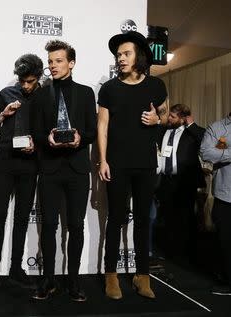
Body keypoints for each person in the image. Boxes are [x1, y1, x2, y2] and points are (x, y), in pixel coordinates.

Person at [97, 31, 168, 299]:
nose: (120, 59)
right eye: (118, 55)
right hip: (117, 164)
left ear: (139, 56)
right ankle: (111, 276)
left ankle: (143, 276)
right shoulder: (109, 89)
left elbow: (164, 117)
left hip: (146, 165)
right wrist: (103, 160)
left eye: (126, 54)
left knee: (142, 221)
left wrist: (157, 121)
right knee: (115, 220)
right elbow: (101, 126)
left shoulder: (157, 86)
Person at [30, 40, 97, 301]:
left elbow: (92, 130)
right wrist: (48, 138)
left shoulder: (86, 93)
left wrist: (82, 138)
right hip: (50, 167)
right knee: (48, 225)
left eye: (58, 61)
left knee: (76, 226)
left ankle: (74, 280)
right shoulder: (40, 95)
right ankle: (48, 279)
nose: (53, 66)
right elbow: (34, 131)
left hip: (78, 169)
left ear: (71, 63)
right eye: (50, 62)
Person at [0, 54, 43, 295]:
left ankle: (16, 269)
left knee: (22, 219)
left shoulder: (45, 95)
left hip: (30, 164)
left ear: (38, 77)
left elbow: (49, 132)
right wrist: (3, 114)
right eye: (22, 81)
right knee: (0, 217)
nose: (26, 85)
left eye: (31, 81)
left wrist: (36, 145)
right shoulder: (6, 94)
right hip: (6, 162)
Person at [156, 104, 205, 262]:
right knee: (166, 215)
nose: (169, 118)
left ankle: (186, 252)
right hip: (165, 180)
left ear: (183, 118)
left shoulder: (191, 133)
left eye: (173, 116)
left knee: (184, 216)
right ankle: (169, 250)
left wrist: (191, 124)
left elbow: (204, 138)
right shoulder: (164, 130)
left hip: (184, 181)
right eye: (169, 115)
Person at [200, 112, 231, 296]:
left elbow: (215, 153)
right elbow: (206, 152)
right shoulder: (218, 127)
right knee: (225, 241)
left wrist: (222, 153)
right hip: (225, 194)